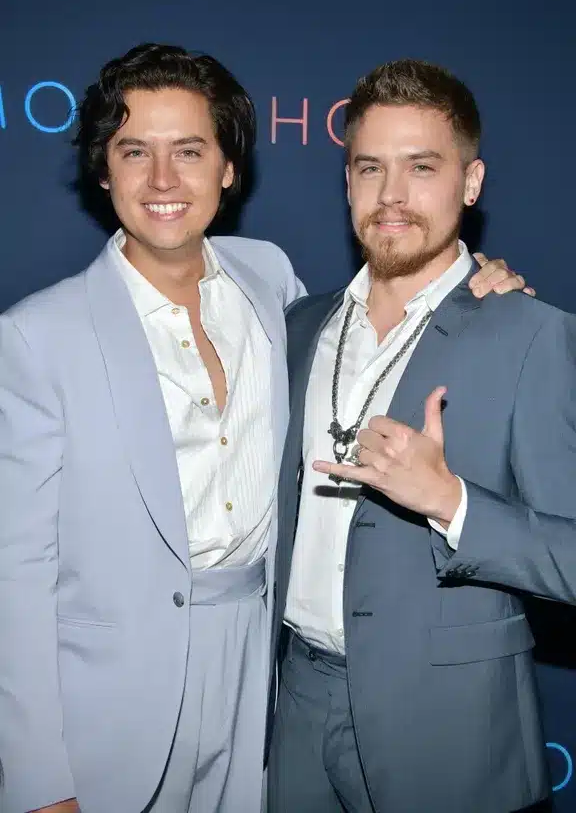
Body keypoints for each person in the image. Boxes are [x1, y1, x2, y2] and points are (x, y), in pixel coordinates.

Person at [0, 44, 530, 813]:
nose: (162, 180)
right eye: (134, 152)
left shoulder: (269, 280)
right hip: (112, 699)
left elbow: (379, 330)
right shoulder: (37, 335)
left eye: (189, 151)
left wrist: (477, 285)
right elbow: (14, 573)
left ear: (227, 169)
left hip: (261, 679)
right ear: (103, 171)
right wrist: (39, 777)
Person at [268, 58, 576, 813]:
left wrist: (451, 502)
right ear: (347, 181)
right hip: (296, 701)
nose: (392, 196)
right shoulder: (297, 328)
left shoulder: (533, 336)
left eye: (422, 167)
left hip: (448, 723)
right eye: (370, 167)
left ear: (471, 183)